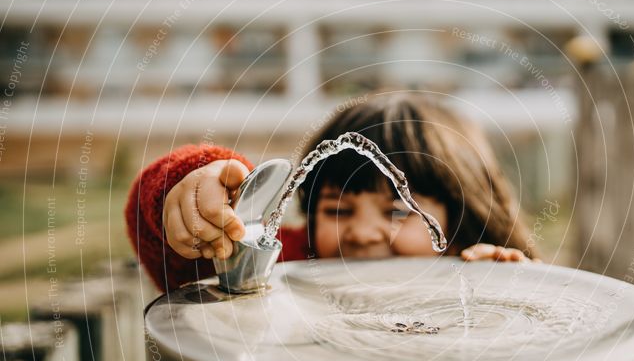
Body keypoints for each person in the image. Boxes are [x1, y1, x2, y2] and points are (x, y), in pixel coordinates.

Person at [125, 92, 535, 292]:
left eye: (397, 211)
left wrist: (509, 294)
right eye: (338, 211)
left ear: (460, 219)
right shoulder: (289, 264)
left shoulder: (472, 271)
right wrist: (198, 192)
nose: (361, 233)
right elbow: (171, 261)